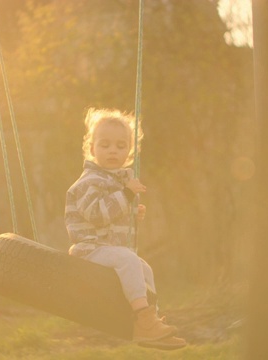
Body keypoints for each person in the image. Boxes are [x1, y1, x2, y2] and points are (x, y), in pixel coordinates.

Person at [65, 108, 187, 350]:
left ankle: (151, 324)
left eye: (121, 146)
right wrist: (127, 194)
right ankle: (143, 319)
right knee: (129, 260)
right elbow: (99, 215)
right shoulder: (89, 182)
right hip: (89, 248)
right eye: (105, 145)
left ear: (130, 151)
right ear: (92, 149)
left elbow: (114, 213)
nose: (113, 150)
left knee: (144, 269)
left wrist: (132, 213)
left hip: (107, 249)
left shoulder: (116, 181)